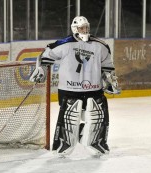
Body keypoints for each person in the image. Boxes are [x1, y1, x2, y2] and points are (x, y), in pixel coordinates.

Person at [29, 16, 120, 157]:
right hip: (69, 89)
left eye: (86, 27)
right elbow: (45, 55)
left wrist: (109, 81)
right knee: (71, 117)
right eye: (81, 28)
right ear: (74, 29)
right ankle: (65, 142)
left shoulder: (100, 45)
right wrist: (40, 69)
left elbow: (107, 66)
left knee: (95, 116)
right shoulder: (64, 44)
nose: (84, 30)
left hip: (93, 88)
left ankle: (95, 141)